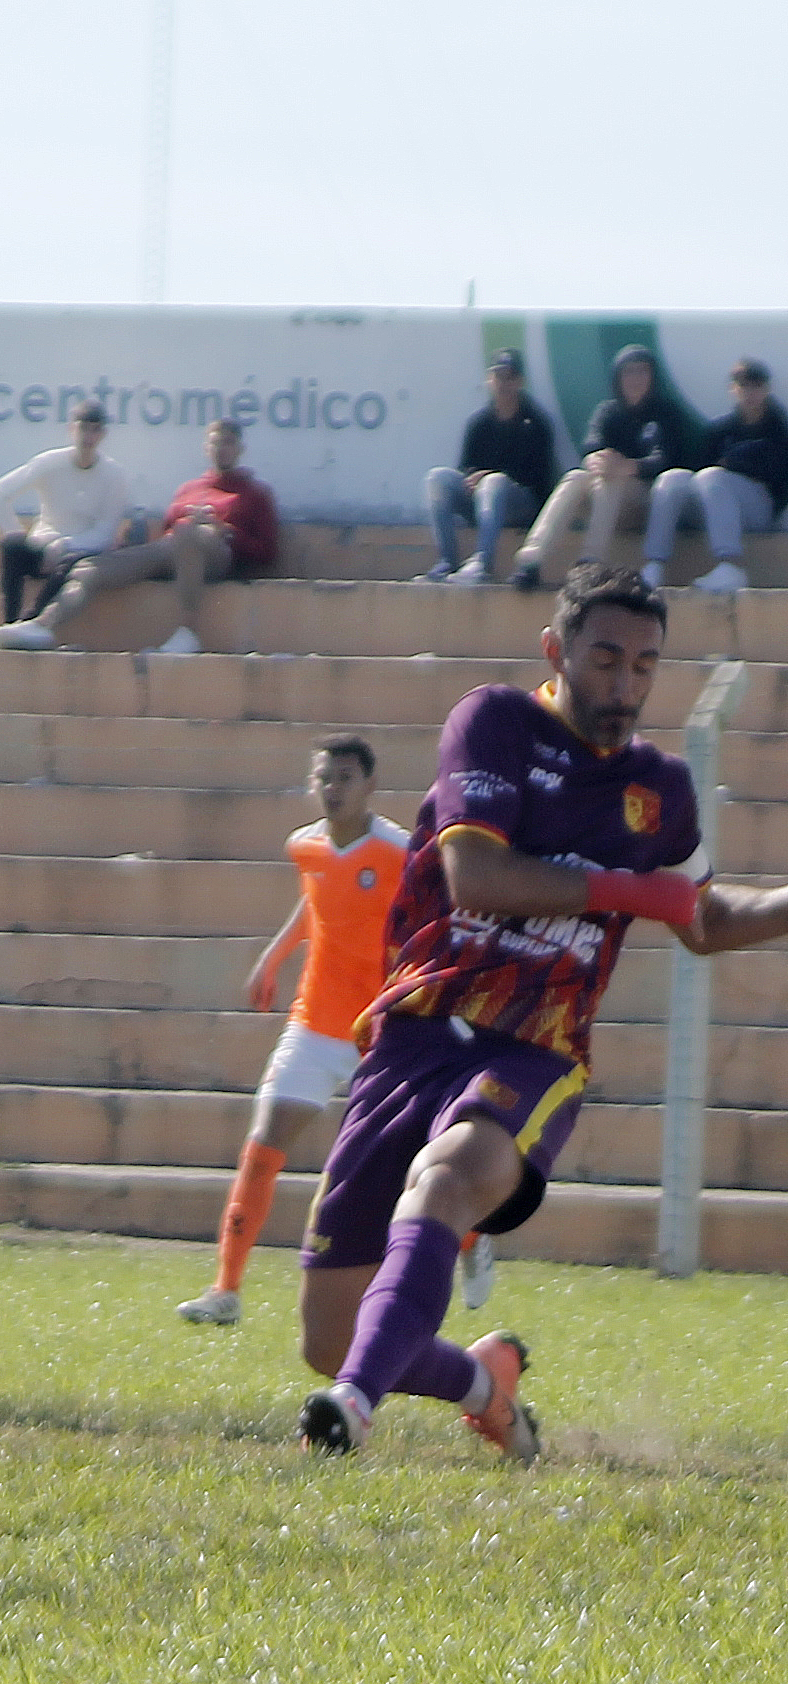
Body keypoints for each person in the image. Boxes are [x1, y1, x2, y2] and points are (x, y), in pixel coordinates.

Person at [294, 564, 788, 1459]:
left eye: (645, 666)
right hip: (415, 1031)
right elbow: (477, 876)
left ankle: (351, 1412)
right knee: (327, 1335)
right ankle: (485, 1384)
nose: (626, 686)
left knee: (450, 1179)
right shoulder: (494, 723)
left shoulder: (660, 789)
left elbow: (705, 920)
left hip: (536, 1048)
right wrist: (627, 888)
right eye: (606, 659)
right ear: (555, 651)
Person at [175, 736, 410, 1326]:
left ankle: (451, 1253)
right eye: (323, 778)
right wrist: (274, 958)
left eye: (345, 778)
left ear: (370, 786)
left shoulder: (399, 852)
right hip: (313, 1023)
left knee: (391, 1169)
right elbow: (315, 905)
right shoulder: (304, 845)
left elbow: (425, 920)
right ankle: (225, 1290)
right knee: (264, 1142)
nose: (332, 788)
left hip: (377, 1035)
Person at [0, 418, 275, 654]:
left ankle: (187, 633)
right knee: (89, 568)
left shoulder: (254, 493)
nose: (221, 448)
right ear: (205, 448)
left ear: (239, 449)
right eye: (215, 442)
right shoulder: (189, 489)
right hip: (174, 548)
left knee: (188, 532)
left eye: (228, 443)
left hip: (218, 552)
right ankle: (42, 624)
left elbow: (267, 551)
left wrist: (226, 531)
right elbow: (168, 530)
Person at [512, 344, 690, 593]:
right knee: (575, 477)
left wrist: (628, 467)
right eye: (628, 372)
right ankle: (531, 560)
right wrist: (600, 461)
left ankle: (589, 563)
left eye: (642, 372)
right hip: (604, 496)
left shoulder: (665, 412)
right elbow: (591, 449)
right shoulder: (608, 411)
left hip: (644, 502)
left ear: (652, 376)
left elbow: (666, 460)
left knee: (610, 480)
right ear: (618, 377)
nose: (635, 379)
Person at [639, 357, 787, 596]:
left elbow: (776, 473)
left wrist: (736, 462)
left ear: (766, 390)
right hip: (714, 507)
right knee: (673, 478)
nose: (749, 393)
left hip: (759, 511)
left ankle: (732, 566)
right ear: (733, 390)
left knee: (713, 476)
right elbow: (699, 468)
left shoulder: (779, 429)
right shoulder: (721, 430)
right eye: (743, 386)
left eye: (756, 386)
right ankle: (654, 565)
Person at [0, 402, 130, 624]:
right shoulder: (49, 462)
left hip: (83, 554)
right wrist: (21, 535)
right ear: (71, 429)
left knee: (72, 563)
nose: (88, 436)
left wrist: (66, 545)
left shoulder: (115, 475)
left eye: (95, 429)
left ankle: (32, 622)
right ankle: (10, 622)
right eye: (83, 428)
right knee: (11, 546)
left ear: (103, 435)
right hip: (43, 548)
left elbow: (105, 532)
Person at [416, 349, 557, 584]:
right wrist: (474, 477)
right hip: (482, 504)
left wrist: (493, 476)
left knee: (494, 482)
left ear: (520, 381)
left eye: (510, 376)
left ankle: (482, 564)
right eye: (498, 376)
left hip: (521, 507)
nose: (504, 383)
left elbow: (539, 480)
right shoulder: (479, 422)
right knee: (437, 478)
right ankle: (447, 562)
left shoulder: (536, 423)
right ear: (489, 380)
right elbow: (466, 467)